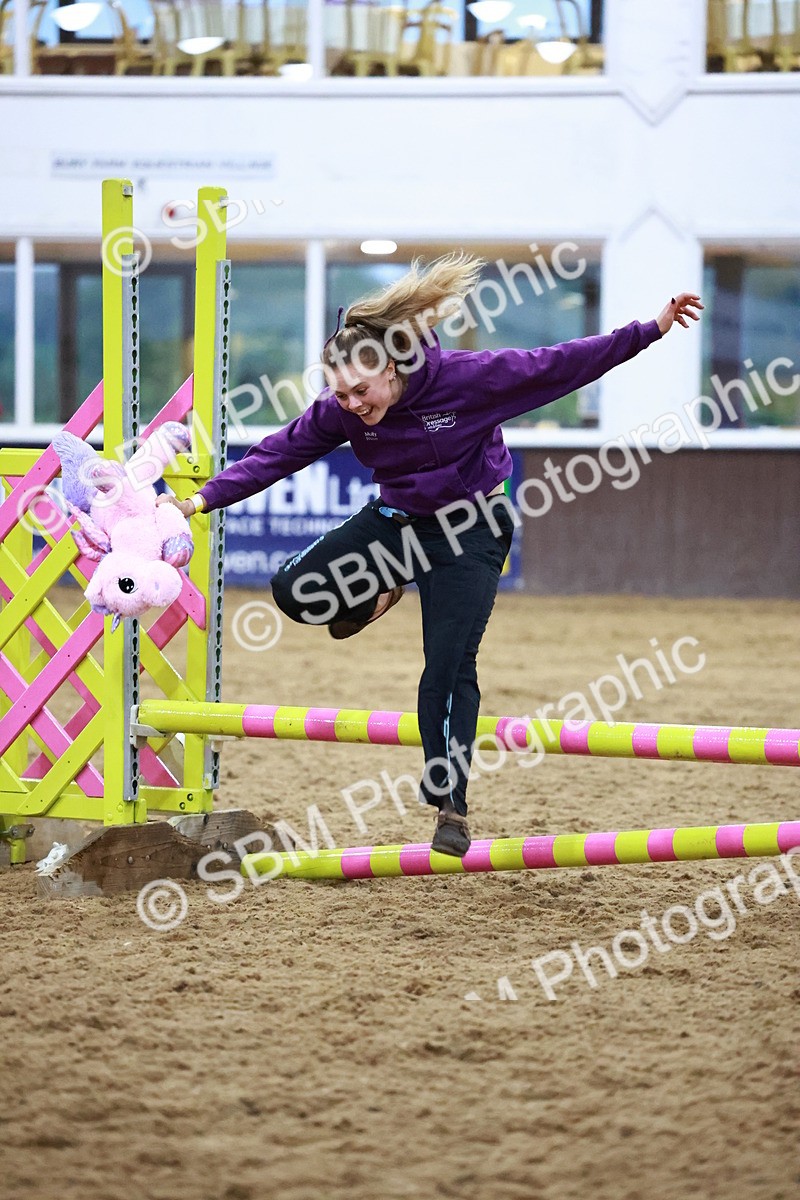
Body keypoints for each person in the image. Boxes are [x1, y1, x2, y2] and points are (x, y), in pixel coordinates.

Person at [158, 253, 702, 857]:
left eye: (362, 391)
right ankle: (381, 590)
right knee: (294, 588)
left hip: (471, 529)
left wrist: (647, 331)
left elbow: (559, 367)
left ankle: (451, 807)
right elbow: (277, 454)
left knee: (446, 667)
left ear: (393, 369)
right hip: (397, 523)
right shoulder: (343, 408)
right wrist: (202, 500)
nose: (354, 404)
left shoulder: (468, 380)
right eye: (340, 394)